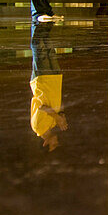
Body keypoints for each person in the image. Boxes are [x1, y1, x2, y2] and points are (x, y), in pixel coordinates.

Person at [29, 21, 67, 151]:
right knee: (49, 47)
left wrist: (57, 117)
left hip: (43, 81)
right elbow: (56, 106)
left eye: (54, 144)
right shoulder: (51, 125)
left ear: (45, 143)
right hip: (55, 79)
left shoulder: (37, 127)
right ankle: (45, 23)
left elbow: (42, 107)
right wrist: (62, 115)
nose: (57, 142)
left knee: (39, 49)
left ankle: (37, 22)